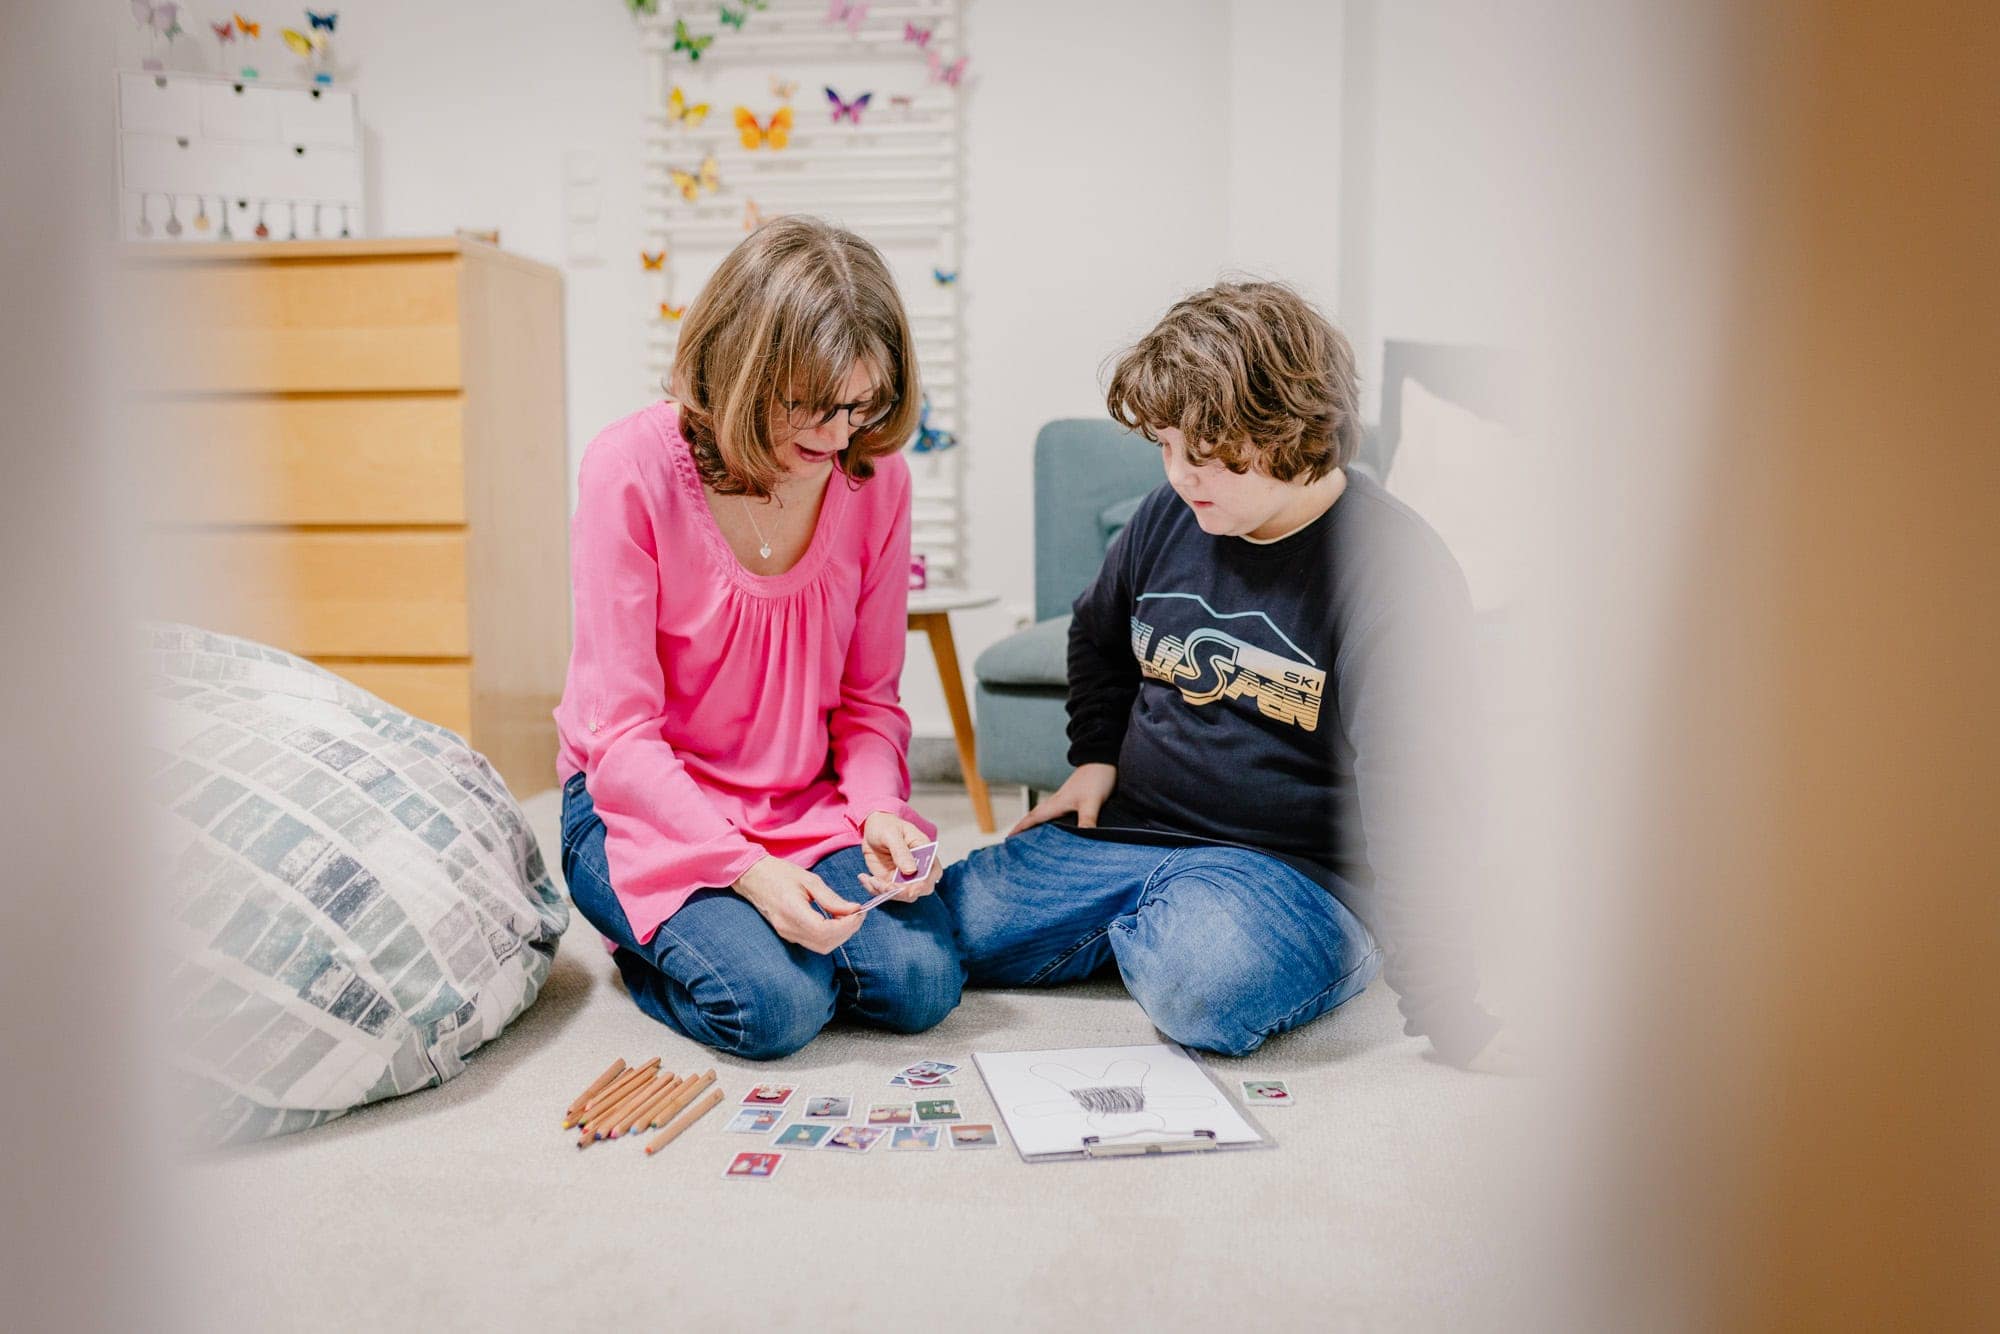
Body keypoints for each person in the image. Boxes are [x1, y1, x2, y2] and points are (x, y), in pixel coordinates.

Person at [938, 280, 1515, 1070]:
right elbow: (1097, 633)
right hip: (1131, 837)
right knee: (938, 923)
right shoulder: (1169, 513)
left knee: (1206, 987)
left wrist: (1449, 1009)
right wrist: (1094, 758)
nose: (1180, 477)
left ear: (1291, 429)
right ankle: (1155, 923)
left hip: (1294, 876)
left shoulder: (1394, 570)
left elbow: (1421, 803)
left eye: (1205, 455)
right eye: (1166, 448)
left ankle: (1171, 933)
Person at [556, 216, 962, 1061]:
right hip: (639, 808)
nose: (839, 436)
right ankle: (643, 939)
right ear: (741, 371)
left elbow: (869, 702)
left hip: (801, 805)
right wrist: (744, 872)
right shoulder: (627, 468)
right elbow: (620, 739)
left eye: (861, 405)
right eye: (811, 406)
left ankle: (740, 933)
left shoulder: (875, 479)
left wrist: (878, 809)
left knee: (922, 983)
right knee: (775, 1008)